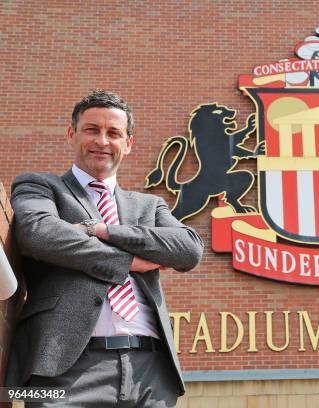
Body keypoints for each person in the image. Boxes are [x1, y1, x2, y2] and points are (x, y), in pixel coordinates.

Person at [5, 90, 204, 407]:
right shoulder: (41, 186)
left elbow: (188, 249)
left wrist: (99, 229)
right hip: (65, 369)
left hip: (151, 372)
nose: (102, 141)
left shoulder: (150, 205)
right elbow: (39, 233)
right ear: (72, 135)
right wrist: (127, 261)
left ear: (128, 144)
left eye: (113, 133)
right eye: (91, 130)